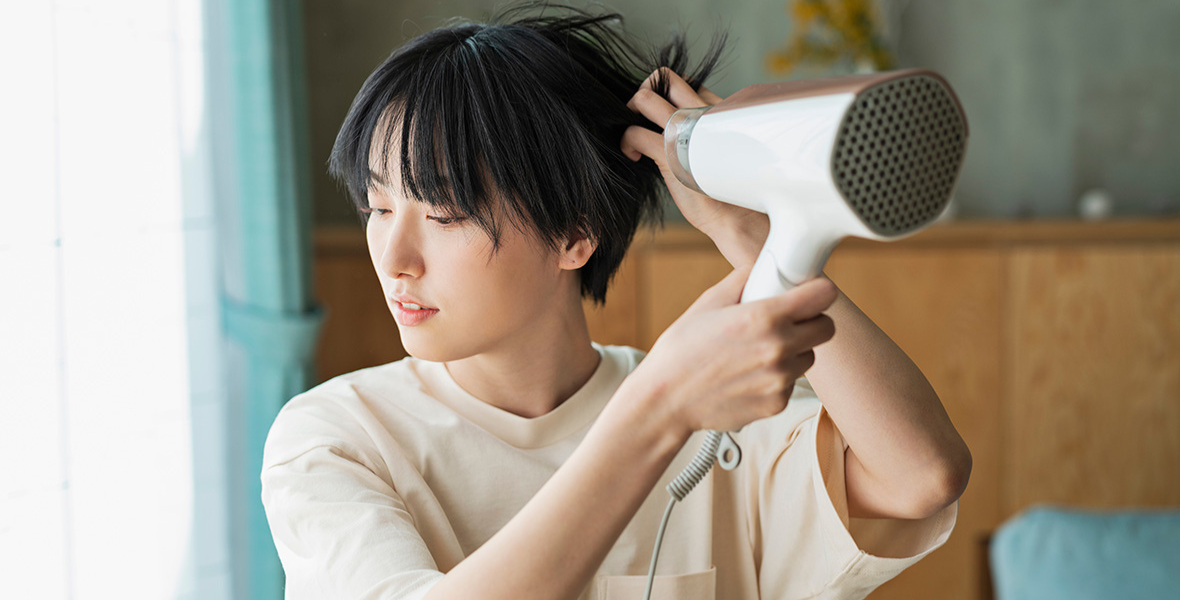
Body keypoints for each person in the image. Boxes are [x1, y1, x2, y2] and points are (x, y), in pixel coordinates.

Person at [261, 3, 971, 599]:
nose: (394, 259)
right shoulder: (338, 438)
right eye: (378, 208)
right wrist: (657, 410)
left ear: (575, 234)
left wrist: (751, 234)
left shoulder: (720, 417)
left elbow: (923, 476)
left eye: (444, 214)